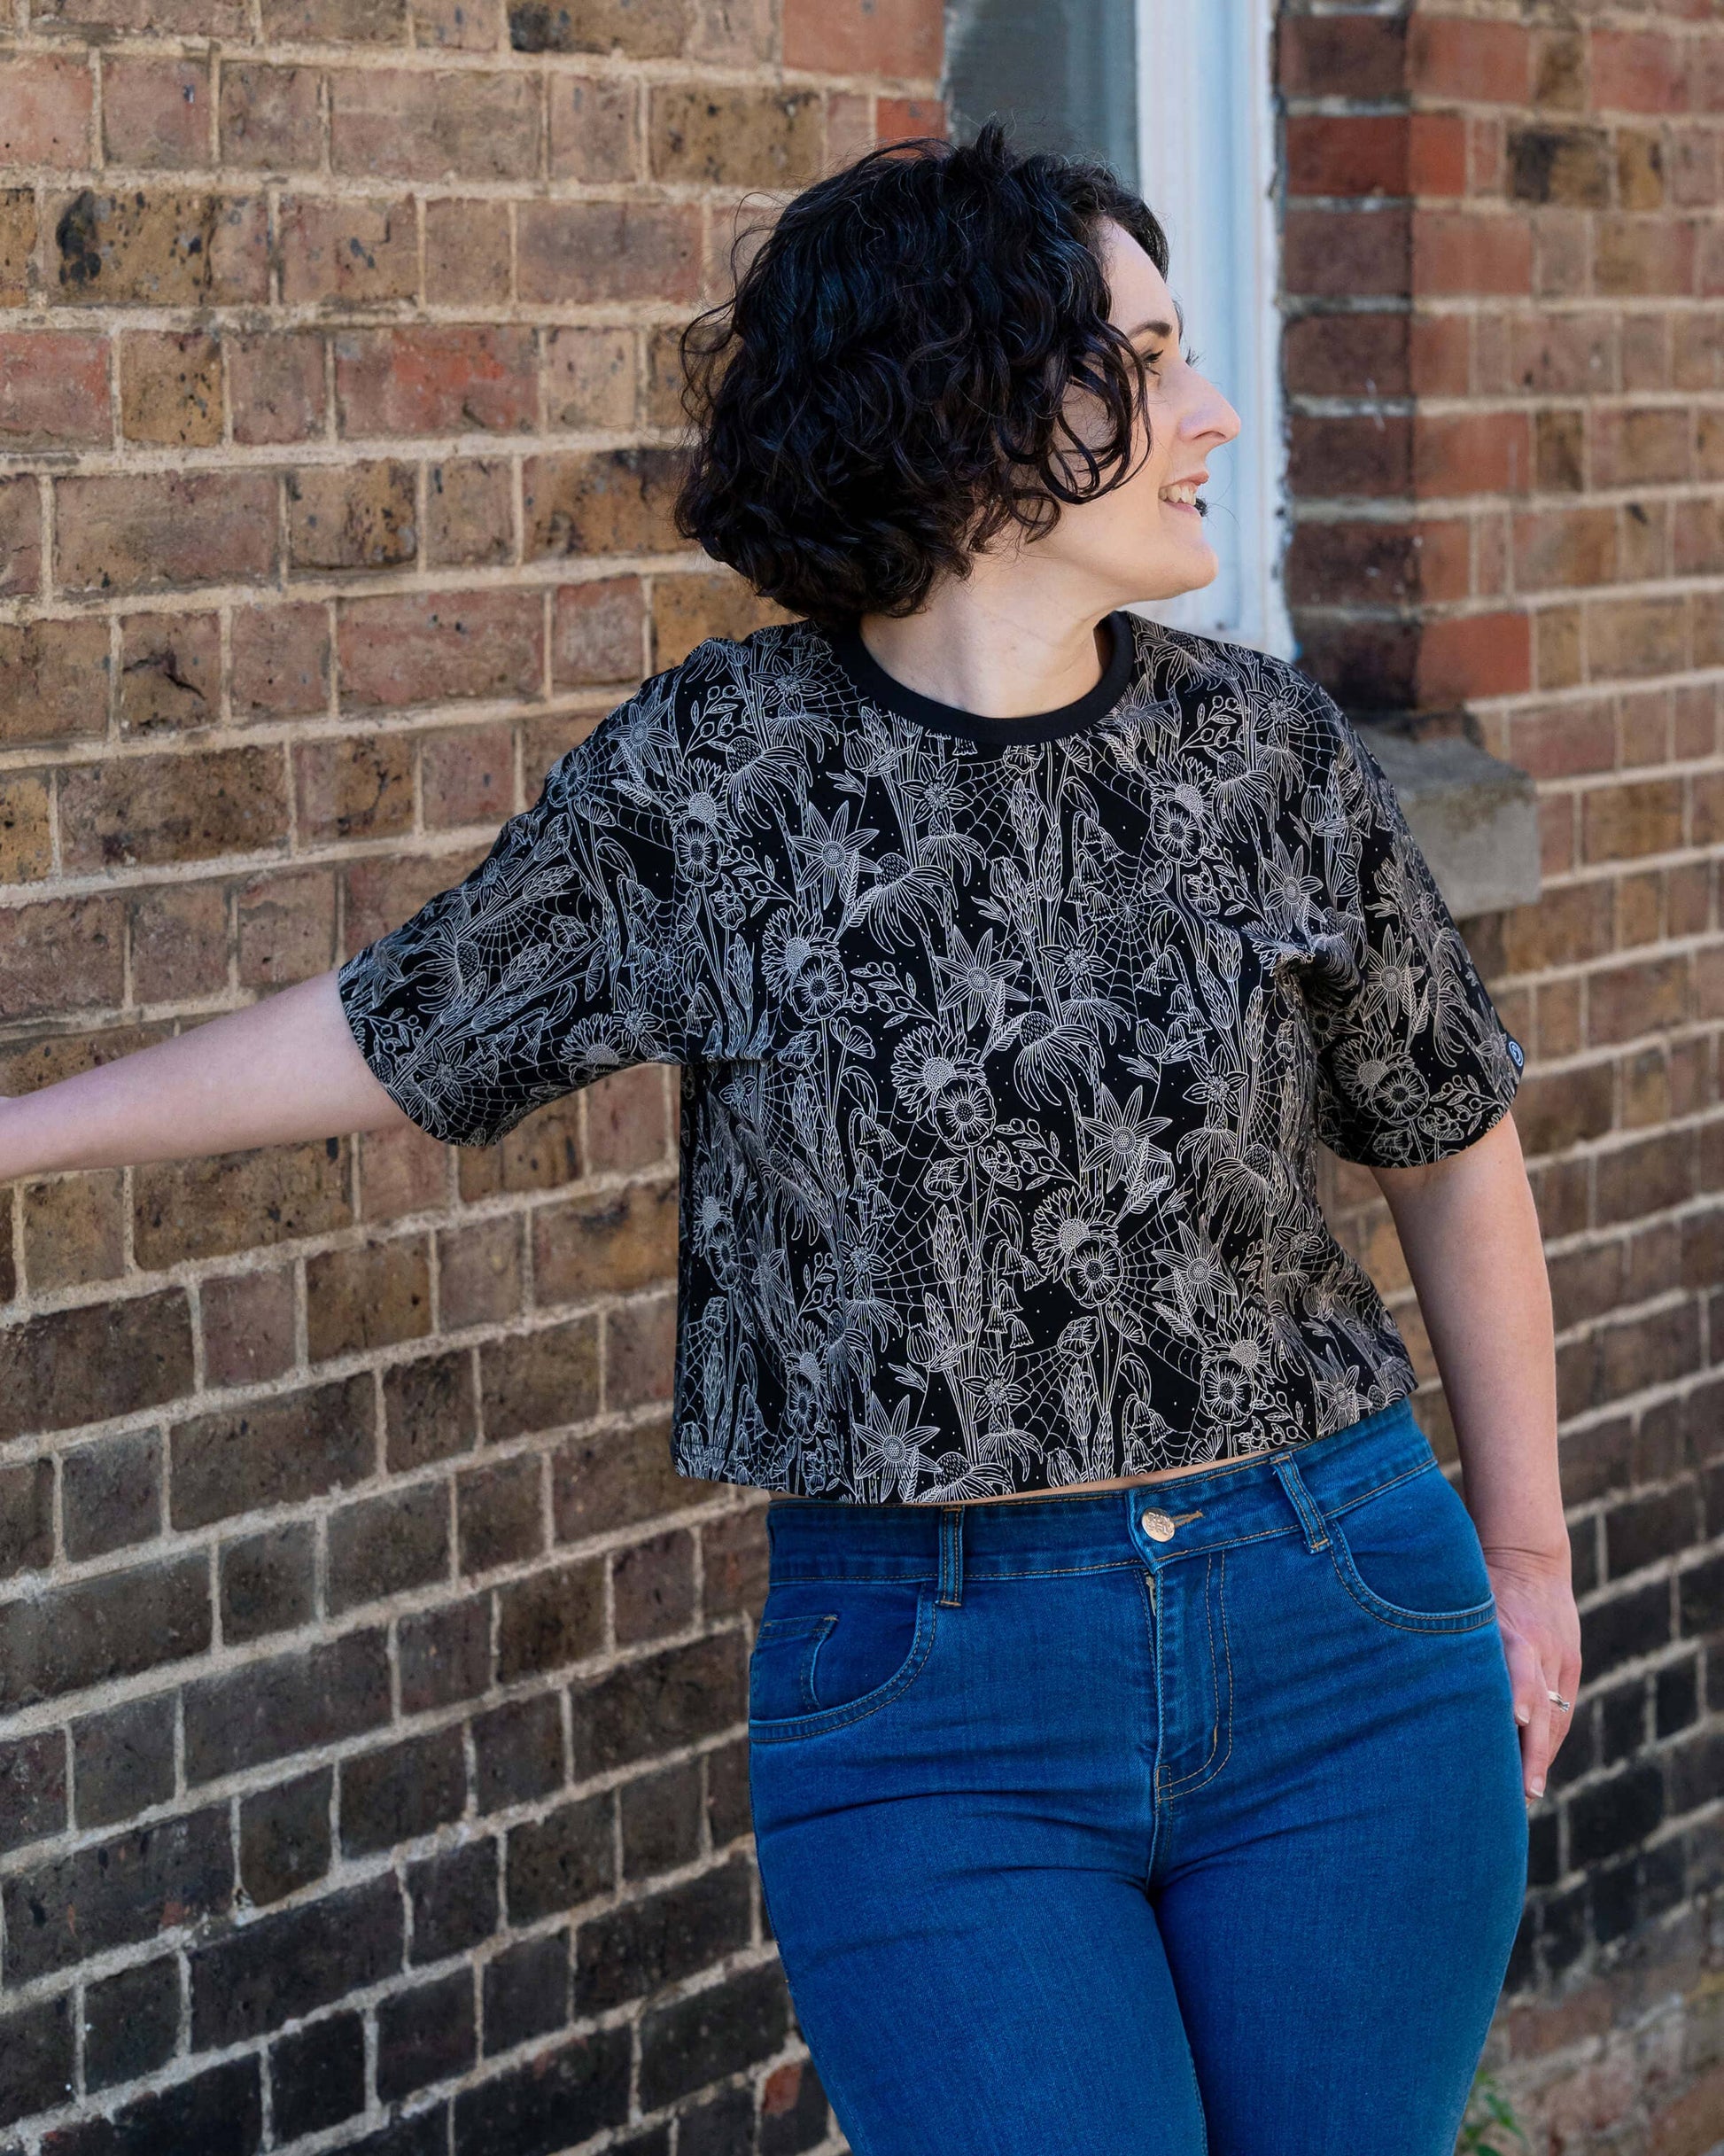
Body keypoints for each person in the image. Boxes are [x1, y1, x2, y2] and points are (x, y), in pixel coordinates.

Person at [2, 125, 1578, 2155]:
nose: (1215, 410)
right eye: (1154, 355)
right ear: (978, 399)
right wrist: (20, 1135)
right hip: (932, 1693)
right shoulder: (729, 772)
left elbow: (1451, 1137)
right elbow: (402, 1027)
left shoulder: (1258, 753)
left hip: (1343, 1632)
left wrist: (1523, 1556)